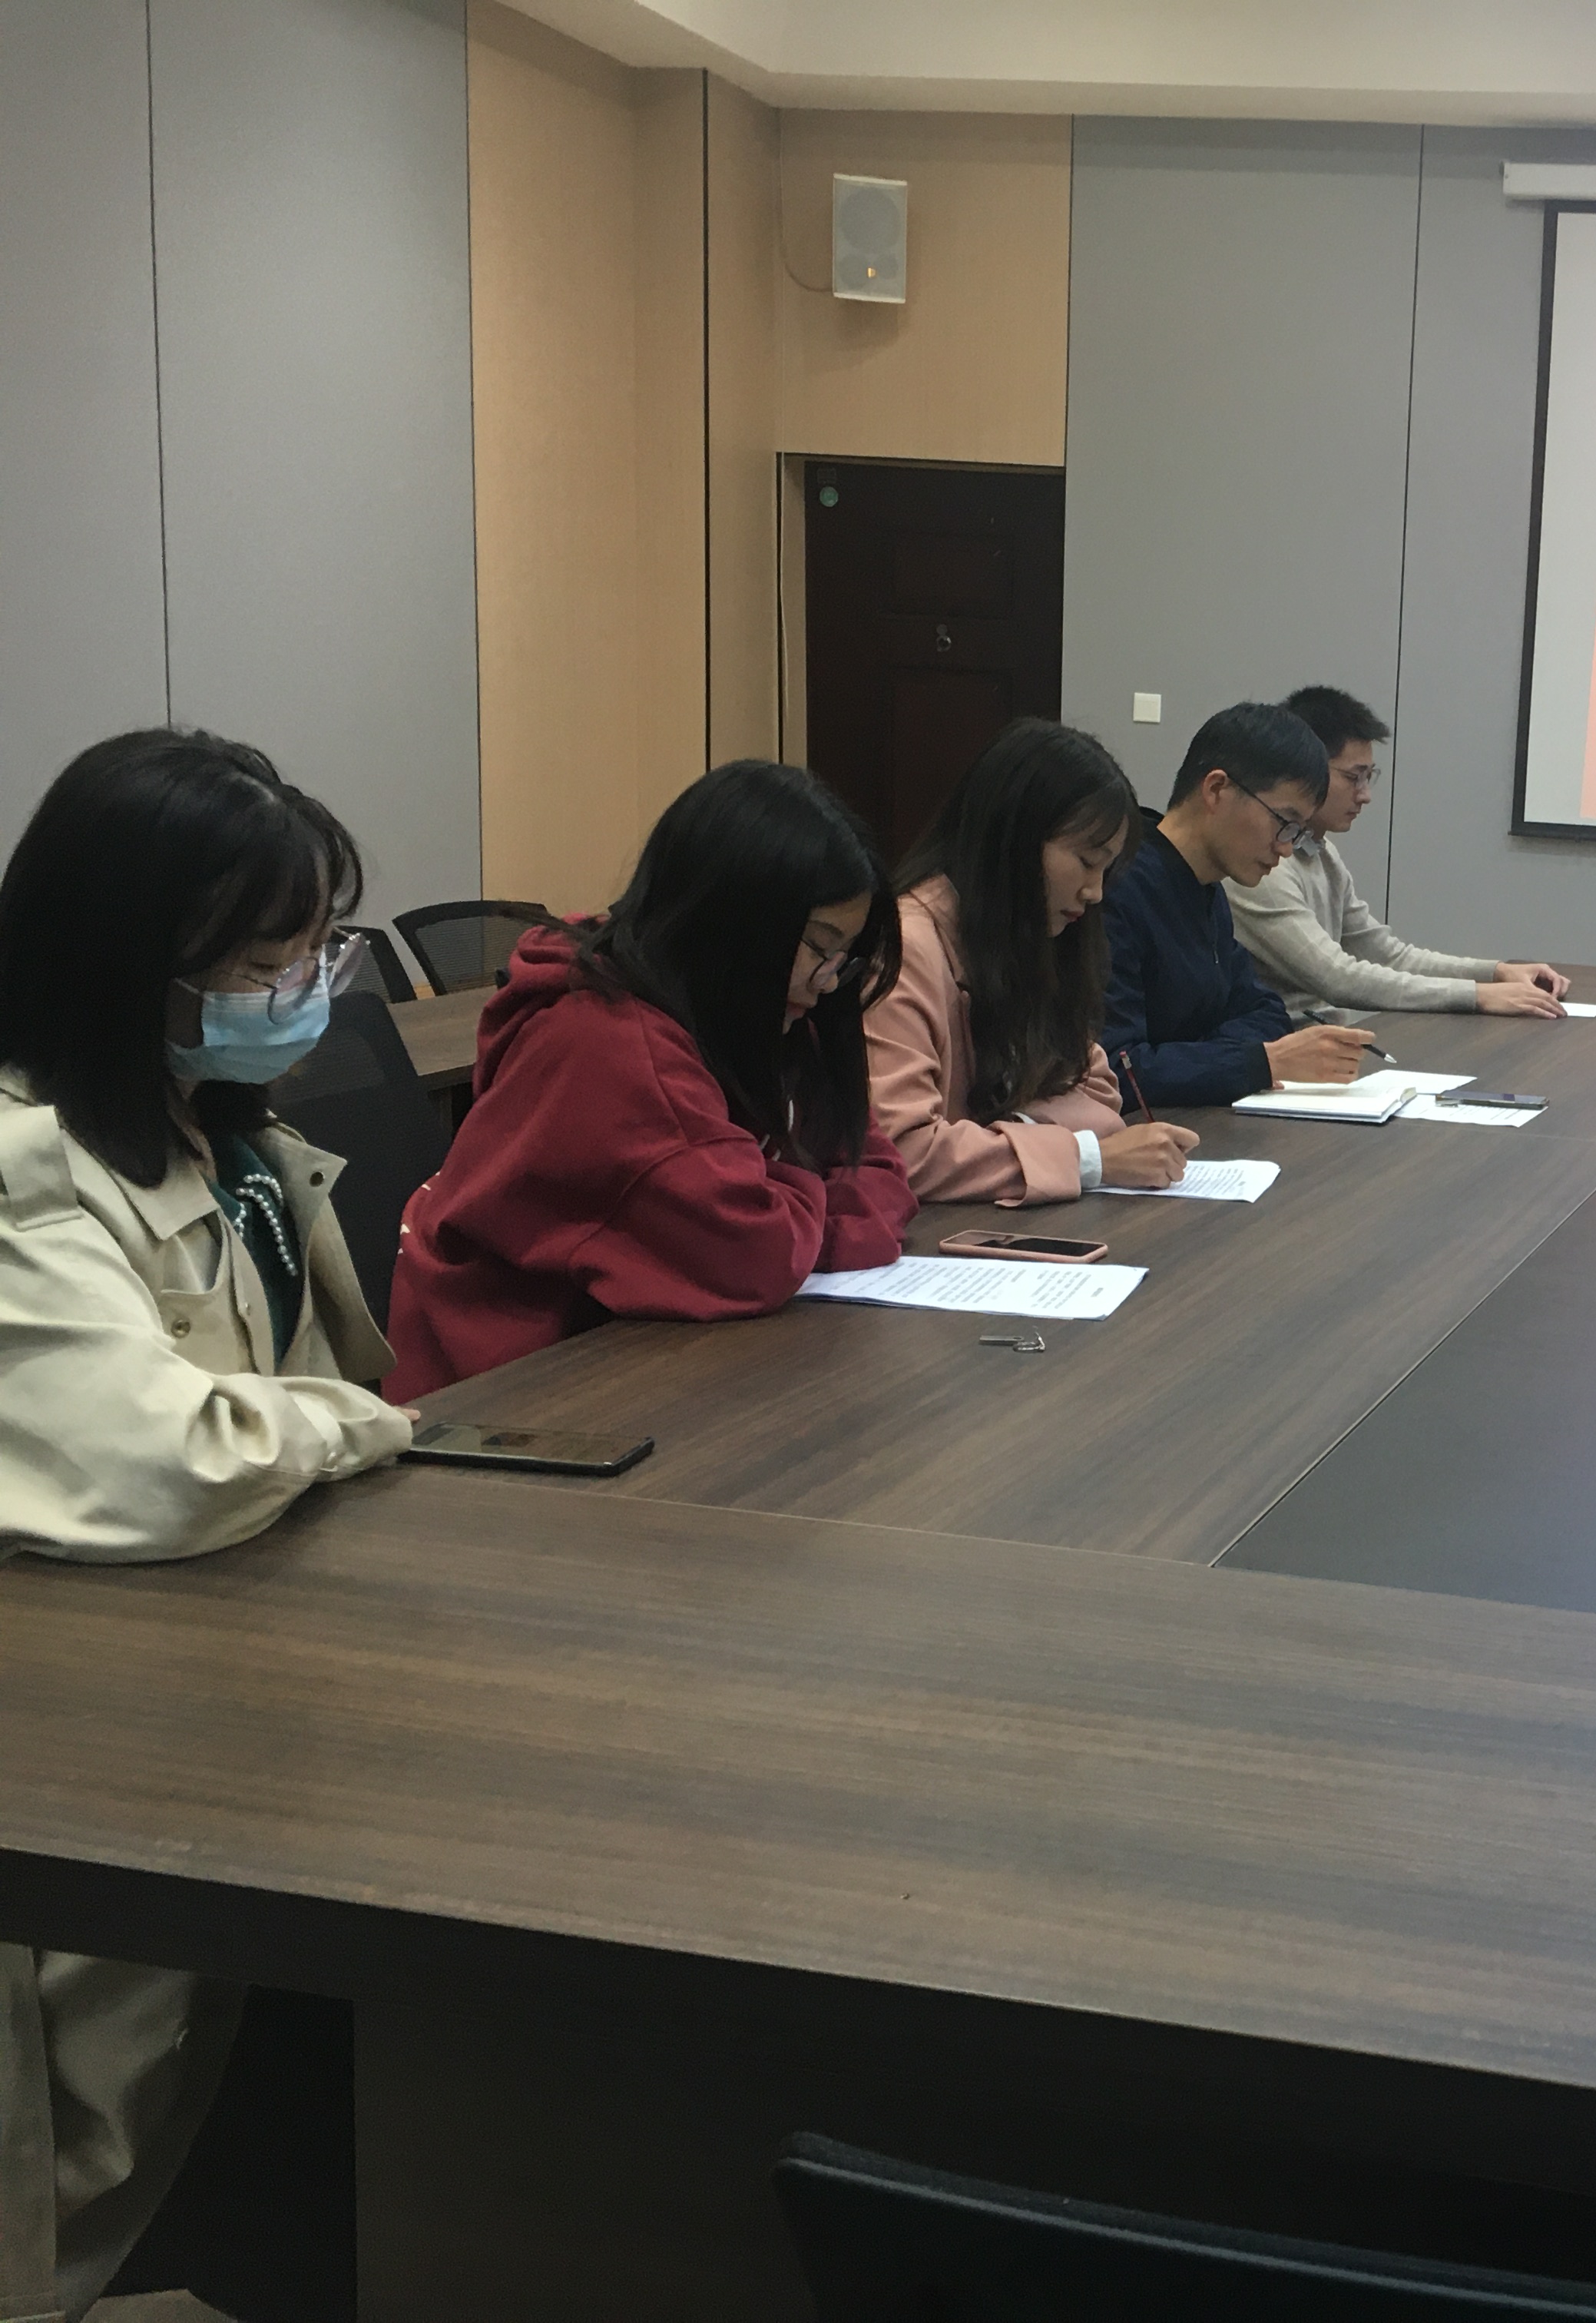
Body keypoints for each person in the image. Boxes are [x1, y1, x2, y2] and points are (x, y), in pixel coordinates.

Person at [0, 727, 414, 2321]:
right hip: (85, 1733)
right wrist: (352, 1429)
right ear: (126, 960)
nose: (303, 990)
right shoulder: (29, 1171)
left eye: (318, 949)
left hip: (229, 1662)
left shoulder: (218, 1131)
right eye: (264, 961)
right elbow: (172, 1454)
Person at [388, 761, 916, 1398]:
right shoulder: (606, 1044)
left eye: (841, 958)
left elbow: (873, 1164)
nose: (826, 982)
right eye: (817, 948)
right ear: (731, 922)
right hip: (507, 1390)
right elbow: (755, 1253)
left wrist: (785, 1197)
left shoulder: (761, 1016)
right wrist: (812, 1201)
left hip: (630, 1353)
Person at [868, 718, 1202, 1201]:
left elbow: (1098, 1093)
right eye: (1086, 862)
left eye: (1107, 870)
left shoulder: (1039, 932)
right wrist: (1084, 1158)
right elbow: (904, 1152)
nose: (1095, 892)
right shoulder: (904, 947)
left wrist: (1012, 1132)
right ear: (1015, 839)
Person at [1227, 684, 1570, 1022]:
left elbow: (1389, 957)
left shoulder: (1323, 852)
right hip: (1284, 1046)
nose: (1365, 795)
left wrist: (1496, 973)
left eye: (1368, 777)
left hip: (1326, 1040)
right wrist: (1478, 996)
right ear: (1306, 769)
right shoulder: (1264, 865)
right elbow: (1336, 977)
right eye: (1353, 778)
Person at [1100, 702, 1372, 1104]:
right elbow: (1117, 1071)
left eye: (1297, 832)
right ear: (1216, 790)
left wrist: (1216, 1058)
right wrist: (1257, 1062)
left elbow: (1266, 1011)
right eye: (1284, 822)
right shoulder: (1117, 887)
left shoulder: (1208, 889)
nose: (1285, 848)